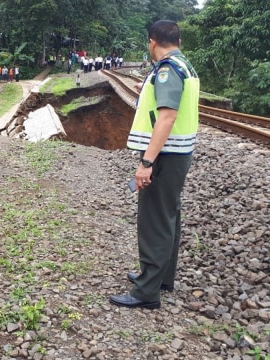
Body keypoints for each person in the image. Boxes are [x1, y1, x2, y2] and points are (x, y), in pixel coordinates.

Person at [109, 20, 200, 309]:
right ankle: (160, 278)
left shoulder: (167, 69)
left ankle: (146, 292)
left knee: (154, 221)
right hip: (178, 154)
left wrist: (146, 162)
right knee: (168, 215)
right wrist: (145, 86)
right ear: (178, 41)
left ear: (152, 42)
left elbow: (167, 117)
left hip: (164, 156)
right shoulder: (184, 65)